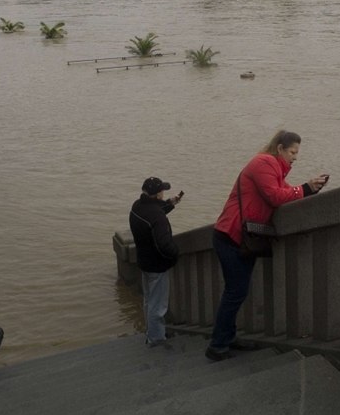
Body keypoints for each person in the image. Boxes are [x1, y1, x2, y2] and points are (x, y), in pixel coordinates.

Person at [206, 130, 327, 361]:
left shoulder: (276, 169)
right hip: (230, 236)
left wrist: (309, 188)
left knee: (236, 292)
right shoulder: (264, 162)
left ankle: (227, 338)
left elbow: (284, 192)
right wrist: (307, 187)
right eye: (293, 151)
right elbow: (275, 196)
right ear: (280, 148)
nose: (295, 157)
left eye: (297, 153)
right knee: (235, 293)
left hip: (242, 237)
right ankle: (217, 345)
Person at [129, 176, 182, 347]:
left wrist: (171, 203)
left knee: (148, 301)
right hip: (157, 266)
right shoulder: (156, 216)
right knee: (158, 306)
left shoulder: (137, 206)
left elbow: (152, 214)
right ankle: (156, 339)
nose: (163, 193)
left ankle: (152, 332)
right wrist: (176, 254)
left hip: (144, 262)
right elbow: (163, 244)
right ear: (157, 194)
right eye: (162, 191)